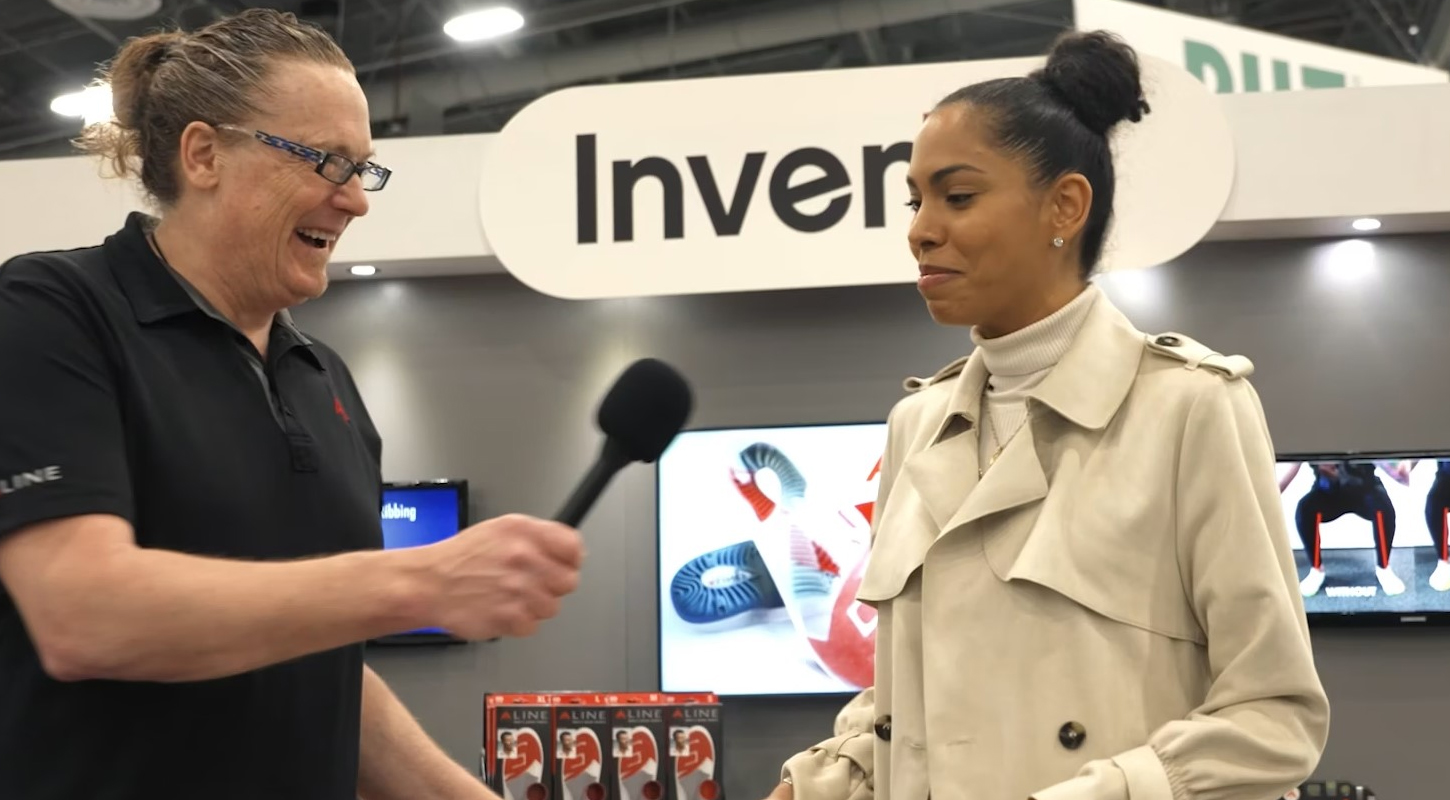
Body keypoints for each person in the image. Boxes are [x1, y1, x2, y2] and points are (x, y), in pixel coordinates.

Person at [0, 10, 583, 800]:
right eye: (325, 161)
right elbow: (85, 617)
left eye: (362, 169)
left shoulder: (324, 380)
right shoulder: (50, 313)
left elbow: (325, 672)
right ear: (203, 154)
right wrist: (418, 581)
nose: (355, 201)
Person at [767, 30, 1329, 800]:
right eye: (916, 197)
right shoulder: (917, 425)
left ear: (1064, 205)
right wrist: (827, 780)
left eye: (957, 196)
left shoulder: (1188, 406)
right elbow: (914, 697)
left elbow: (1275, 717)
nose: (920, 228)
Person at [1279, 460, 1409, 597]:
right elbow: (1292, 465)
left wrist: (1401, 473)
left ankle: (1384, 568)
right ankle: (1316, 570)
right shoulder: (1311, 440)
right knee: (1305, 509)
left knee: (1383, 508)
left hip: (1365, 490)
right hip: (1328, 491)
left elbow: (1392, 468)